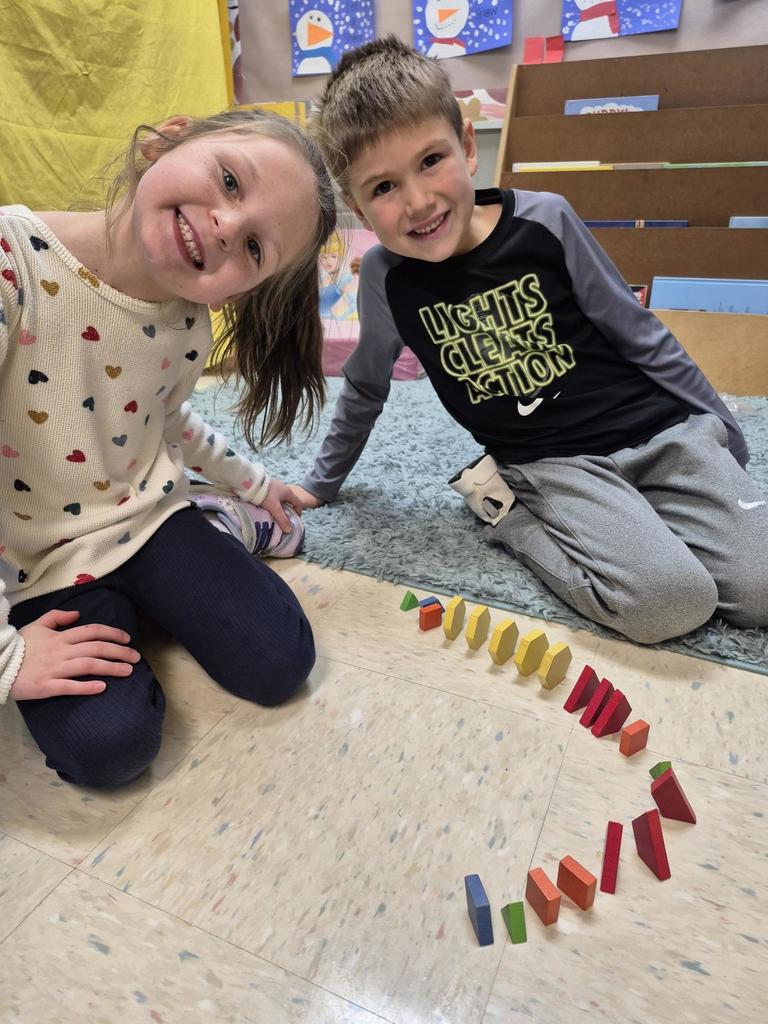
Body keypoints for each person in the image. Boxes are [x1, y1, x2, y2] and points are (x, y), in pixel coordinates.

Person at [292, 36, 768, 646]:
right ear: (355, 203)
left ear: (466, 146)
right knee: (669, 603)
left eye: (430, 161)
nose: (417, 201)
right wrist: (321, 482)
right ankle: (506, 512)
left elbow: (639, 332)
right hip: (555, 464)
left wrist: (720, 427)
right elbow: (365, 383)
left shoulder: (546, 218)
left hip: (660, 430)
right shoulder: (387, 279)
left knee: (760, 591)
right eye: (382, 188)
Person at [0, 108, 337, 787]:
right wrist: (8, 656)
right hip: (45, 561)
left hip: (152, 519)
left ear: (247, 290)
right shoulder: (13, 263)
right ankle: (151, 597)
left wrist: (256, 484)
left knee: (282, 660)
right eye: (231, 181)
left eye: (254, 250)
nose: (224, 226)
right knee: (110, 748)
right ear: (167, 139)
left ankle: (220, 522)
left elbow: (170, 422)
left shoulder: (188, 323)